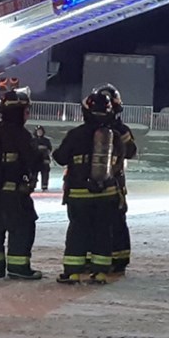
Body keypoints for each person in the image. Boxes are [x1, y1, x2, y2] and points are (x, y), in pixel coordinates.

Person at [52, 87, 135, 284]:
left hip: (79, 194)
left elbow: (60, 158)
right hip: (107, 193)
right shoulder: (115, 135)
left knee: (77, 231)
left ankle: (72, 271)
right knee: (103, 233)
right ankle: (100, 272)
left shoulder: (75, 134)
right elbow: (126, 155)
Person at [0, 82, 43, 280]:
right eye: (25, 111)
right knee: (22, 227)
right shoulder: (22, 135)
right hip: (14, 194)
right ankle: (18, 267)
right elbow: (32, 160)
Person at [94, 84, 136, 275]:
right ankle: (118, 260)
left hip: (90, 184)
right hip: (115, 185)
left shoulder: (88, 129)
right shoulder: (121, 129)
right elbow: (132, 152)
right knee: (116, 221)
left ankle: (93, 258)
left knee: (91, 222)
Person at [32, 126, 54, 191]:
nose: (39, 132)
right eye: (38, 131)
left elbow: (50, 149)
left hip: (44, 159)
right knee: (34, 174)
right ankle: (32, 185)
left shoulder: (46, 141)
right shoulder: (32, 140)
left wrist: (46, 150)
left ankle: (44, 186)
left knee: (45, 173)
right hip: (35, 160)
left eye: (41, 131)